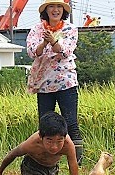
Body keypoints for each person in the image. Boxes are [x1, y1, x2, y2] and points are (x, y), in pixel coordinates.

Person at [26, 0, 84, 164]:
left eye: (59, 7)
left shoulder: (70, 29)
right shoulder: (37, 29)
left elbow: (66, 51)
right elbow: (32, 52)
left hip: (66, 81)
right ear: (46, 10)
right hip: (43, 83)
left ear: (63, 11)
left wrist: (53, 41)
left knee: (71, 121)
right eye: (51, 7)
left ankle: (77, 162)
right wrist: (45, 41)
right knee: (45, 123)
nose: (55, 10)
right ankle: (46, 161)